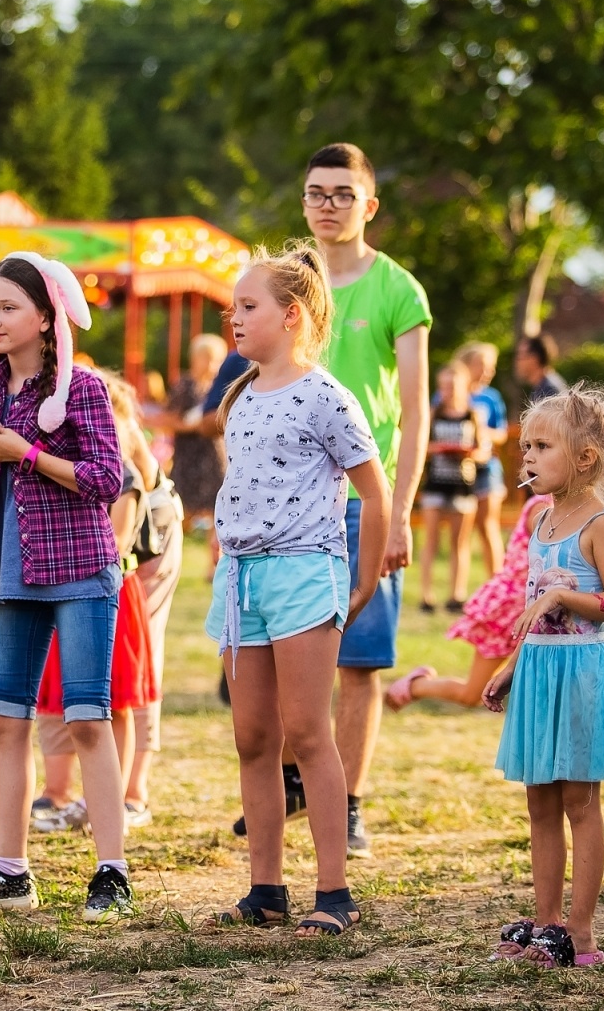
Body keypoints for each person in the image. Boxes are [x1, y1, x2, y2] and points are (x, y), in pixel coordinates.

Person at [234, 143, 431, 859]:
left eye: (343, 193)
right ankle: (286, 787)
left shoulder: (398, 291)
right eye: (317, 191)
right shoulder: (281, 284)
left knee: (360, 658)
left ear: (368, 205)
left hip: (361, 492)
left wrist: (400, 510)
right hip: (285, 504)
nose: (327, 203)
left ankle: (344, 802)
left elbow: (415, 408)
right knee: (277, 657)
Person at [0, 253, 133, 922]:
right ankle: (9, 871)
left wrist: (29, 455)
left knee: (86, 718)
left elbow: (109, 478)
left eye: (8, 308)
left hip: (80, 570)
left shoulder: (81, 389)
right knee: (4, 720)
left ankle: (112, 872)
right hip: (11, 575)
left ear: (46, 317)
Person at [206, 242, 389, 936]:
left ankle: (334, 893)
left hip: (305, 573)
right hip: (242, 580)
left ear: (291, 316)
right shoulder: (240, 395)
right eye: (233, 307)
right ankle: (265, 888)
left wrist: (362, 578)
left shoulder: (326, 396)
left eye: (247, 306)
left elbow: (376, 492)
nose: (235, 317)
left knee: (309, 732)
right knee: (253, 737)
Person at [482, 384, 604, 968]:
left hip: (582, 674)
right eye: (525, 446)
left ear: (584, 457)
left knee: (580, 804)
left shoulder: (602, 526)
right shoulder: (540, 523)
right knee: (539, 804)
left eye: (541, 446)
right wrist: (512, 665)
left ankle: (582, 933)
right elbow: (533, 607)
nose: (527, 458)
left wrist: (569, 597)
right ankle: (546, 924)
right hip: (541, 673)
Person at [33, 371, 161, 830]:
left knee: (116, 702)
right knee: (74, 701)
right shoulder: (67, 463)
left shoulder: (122, 474)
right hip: (67, 589)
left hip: (109, 592)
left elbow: (119, 541)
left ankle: (116, 797)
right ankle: (79, 794)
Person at [386, 494, 549, 710]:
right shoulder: (543, 507)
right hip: (509, 610)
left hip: (541, 611)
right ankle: (416, 686)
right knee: (472, 694)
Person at [417, 360, 489, 612]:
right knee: (431, 541)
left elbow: (484, 451)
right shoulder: (432, 412)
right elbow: (419, 447)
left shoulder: (474, 414)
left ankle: (456, 594)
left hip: (462, 484)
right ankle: (426, 595)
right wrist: (437, 449)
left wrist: (468, 453)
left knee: (460, 543)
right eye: (444, 386)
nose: (447, 391)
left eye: (452, 385)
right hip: (435, 483)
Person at [162, 333, 228, 528]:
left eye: (215, 360)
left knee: (218, 503)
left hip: (213, 453)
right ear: (195, 358)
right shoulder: (185, 385)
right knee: (183, 505)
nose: (210, 364)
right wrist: (191, 426)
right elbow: (169, 419)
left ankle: (215, 552)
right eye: (206, 358)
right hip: (188, 454)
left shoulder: (218, 387)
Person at [458, 341, 510, 575]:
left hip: (488, 467)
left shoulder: (491, 398)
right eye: (483, 365)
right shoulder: (451, 393)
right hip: (457, 470)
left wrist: (479, 431)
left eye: (492, 367)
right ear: (467, 365)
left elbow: (501, 433)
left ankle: (496, 579)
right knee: (462, 531)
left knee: (488, 525)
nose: (489, 372)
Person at [514, 333, 565, 409]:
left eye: (520, 355)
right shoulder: (542, 386)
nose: (517, 361)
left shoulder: (549, 391)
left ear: (534, 358)